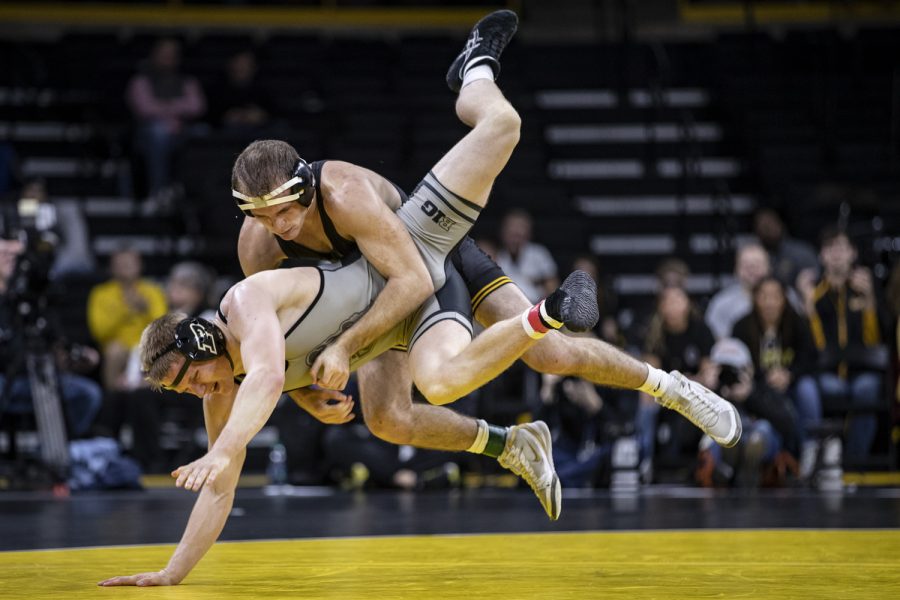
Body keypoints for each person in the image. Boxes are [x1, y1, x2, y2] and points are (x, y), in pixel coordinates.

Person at [234, 11, 740, 496]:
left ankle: (672, 389)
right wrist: (303, 393)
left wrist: (344, 348)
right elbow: (276, 344)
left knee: (552, 354)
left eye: (287, 210)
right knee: (388, 419)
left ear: (304, 184)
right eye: (265, 218)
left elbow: (413, 279)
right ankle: (511, 444)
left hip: (425, 254)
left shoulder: (342, 192)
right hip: (373, 296)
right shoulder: (257, 246)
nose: (281, 225)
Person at [802, 226, 887, 463]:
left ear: (853, 253)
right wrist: (808, 308)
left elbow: (877, 340)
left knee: (867, 389)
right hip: (827, 371)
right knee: (831, 388)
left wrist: (869, 301)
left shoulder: (866, 289)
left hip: (862, 371)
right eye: (830, 247)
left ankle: (853, 461)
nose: (836, 253)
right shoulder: (815, 292)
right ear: (821, 255)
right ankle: (828, 458)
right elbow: (814, 346)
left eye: (842, 247)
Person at [732, 276, 821, 478]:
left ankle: (810, 446)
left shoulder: (796, 322)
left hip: (791, 382)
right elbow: (738, 364)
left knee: (807, 388)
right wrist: (765, 379)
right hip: (759, 388)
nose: (769, 303)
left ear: (784, 300)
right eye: (764, 297)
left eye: (775, 297)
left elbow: (810, 358)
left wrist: (789, 374)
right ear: (755, 299)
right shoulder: (742, 327)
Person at [125, 38, 206, 200]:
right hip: (147, 134)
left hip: (181, 130)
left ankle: (196, 193)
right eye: (164, 54)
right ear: (154, 55)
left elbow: (197, 106)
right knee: (159, 132)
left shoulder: (187, 81)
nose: (168, 58)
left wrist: (164, 108)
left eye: (172, 54)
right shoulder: (141, 81)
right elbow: (145, 109)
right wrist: (176, 110)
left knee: (203, 132)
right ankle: (158, 191)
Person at [705, 243, 771, 340]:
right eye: (746, 265)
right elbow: (715, 339)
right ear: (736, 269)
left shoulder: (787, 297)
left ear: (768, 268)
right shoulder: (721, 302)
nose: (752, 269)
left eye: (757, 264)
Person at [495, 208, 559, 302]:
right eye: (511, 227)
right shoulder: (495, 255)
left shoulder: (539, 253)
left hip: (535, 306)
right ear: (503, 232)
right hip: (505, 306)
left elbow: (552, 284)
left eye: (521, 227)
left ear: (529, 232)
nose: (516, 231)